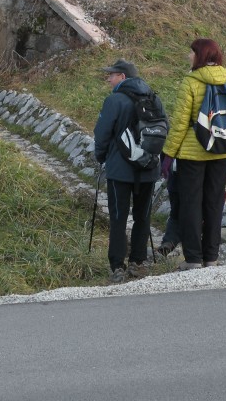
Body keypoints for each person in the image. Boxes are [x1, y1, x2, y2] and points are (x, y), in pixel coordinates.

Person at [161, 38, 226, 270]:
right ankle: (211, 256)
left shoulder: (190, 82)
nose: (188, 56)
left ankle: (193, 259)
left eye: (191, 53)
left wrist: (168, 153)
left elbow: (179, 123)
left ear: (200, 55)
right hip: (223, 151)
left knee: (191, 204)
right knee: (215, 203)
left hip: (193, 153)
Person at [93, 59, 163, 284]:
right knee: (142, 216)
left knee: (118, 217)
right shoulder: (153, 97)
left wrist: (102, 157)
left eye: (111, 75)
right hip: (149, 168)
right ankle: (138, 262)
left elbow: (102, 133)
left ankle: (117, 266)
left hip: (120, 170)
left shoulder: (114, 100)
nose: (108, 78)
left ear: (122, 77)